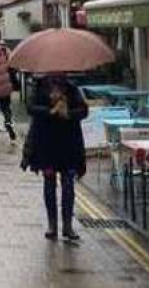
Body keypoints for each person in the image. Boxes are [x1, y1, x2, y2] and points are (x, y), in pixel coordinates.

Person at [22, 74, 88, 243]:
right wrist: (50, 111)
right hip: (47, 143)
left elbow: (84, 110)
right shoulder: (39, 86)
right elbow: (30, 108)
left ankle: (68, 225)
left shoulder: (72, 88)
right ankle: (52, 225)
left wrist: (68, 113)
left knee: (68, 183)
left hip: (68, 144)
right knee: (49, 181)